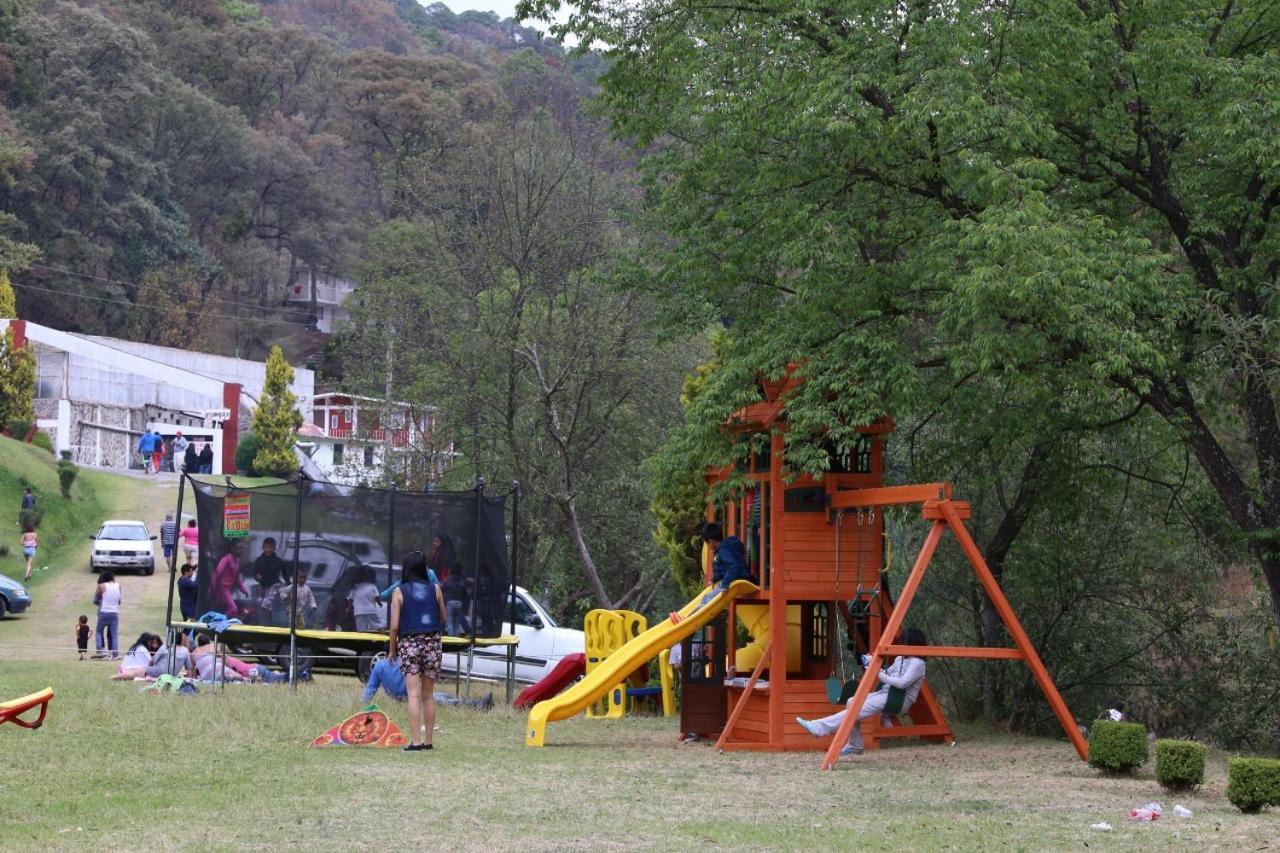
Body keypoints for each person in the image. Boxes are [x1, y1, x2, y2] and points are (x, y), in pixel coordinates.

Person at [796, 628, 929, 757]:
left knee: (855, 709)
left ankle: (819, 727)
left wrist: (878, 673)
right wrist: (873, 664)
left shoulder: (918, 663)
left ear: (913, 644)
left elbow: (902, 683)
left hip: (899, 700)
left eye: (904, 643)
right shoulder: (901, 658)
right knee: (851, 701)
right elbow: (887, 673)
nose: (902, 645)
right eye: (901, 643)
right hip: (887, 693)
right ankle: (855, 744)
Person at [388, 550, 446, 751]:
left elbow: (394, 626)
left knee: (413, 695)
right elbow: (443, 617)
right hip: (433, 643)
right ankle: (429, 741)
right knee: (428, 695)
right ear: (424, 569)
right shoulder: (436, 589)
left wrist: (391, 650)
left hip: (409, 644)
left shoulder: (399, 592)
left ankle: (415, 742)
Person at [672, 522, 751, 622]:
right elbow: (722, 568)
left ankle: (688, 619)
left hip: (734, 579)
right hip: (732, 578)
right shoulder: (722, 551)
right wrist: (714, 579)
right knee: (707, 597)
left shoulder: (723, 551)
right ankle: (688, 617)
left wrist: (725, 585)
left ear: (710, 541)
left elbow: (733, 565)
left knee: (708, 600)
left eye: (706, 543)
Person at [361, 654, 494, 710]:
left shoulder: (379, 666)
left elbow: (370, 689)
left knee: (444, 696)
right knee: (446, 700)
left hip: (409, 697)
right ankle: (478, 705)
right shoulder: (407, 660)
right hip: (414, 698)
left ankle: (473, 703)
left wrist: (362, 704)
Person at [211, 540, 249, 618]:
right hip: (222, 588)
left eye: (242, 548)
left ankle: (223, 621)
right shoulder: (226, 559)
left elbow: (236, 578)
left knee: (226, 608)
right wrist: (212, 587)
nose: (241, 551)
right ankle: (220, 622)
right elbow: (217, 573)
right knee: (233, 609)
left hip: (228, 589)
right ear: (233, 549)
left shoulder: (237, 561)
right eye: (239, 548)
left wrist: (244, 590)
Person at [93, 571, 122, 659]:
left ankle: (101, 650)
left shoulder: (101, 586)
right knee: (114, 634)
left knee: (99, 632)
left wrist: (101, 603)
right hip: (115, 613)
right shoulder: (118, 586)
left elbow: (95, 600)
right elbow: (119, 601)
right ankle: (114, 653)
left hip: (104, 612)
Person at [350, 567, 383, 632]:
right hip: (370, 610)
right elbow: (376, 597)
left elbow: (351, 599)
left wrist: (348, 608)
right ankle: (384, 637)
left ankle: (362, 640)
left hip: (359, 611)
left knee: (361, 629)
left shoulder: (356, 587)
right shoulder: (372, 586)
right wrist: (379, 603)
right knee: (378, 625)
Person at [442, 567, 470, 636]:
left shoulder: (447, 580)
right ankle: (457, 638)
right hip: (459, 603)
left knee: (450, 622)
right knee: (456, 623)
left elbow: (442, 589)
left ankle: (451, 639)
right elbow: (465, 592)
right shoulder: (461, 581)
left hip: (450, 603)